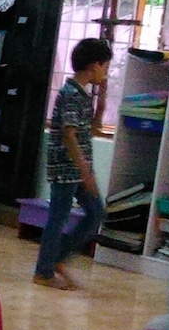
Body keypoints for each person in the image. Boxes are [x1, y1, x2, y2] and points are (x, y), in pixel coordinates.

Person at [35, 37, 112, 290]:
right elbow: (68, 135)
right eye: (106, 66)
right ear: (94, 65)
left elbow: (90, 131)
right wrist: (85, 173)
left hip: (77, 168)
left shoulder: (82, 94)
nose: (106, 72)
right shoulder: (70, 93)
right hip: (67, 168)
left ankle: (57, 259)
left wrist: (101, 105)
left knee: (96, 212)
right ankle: (44, 271)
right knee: (58, 218)